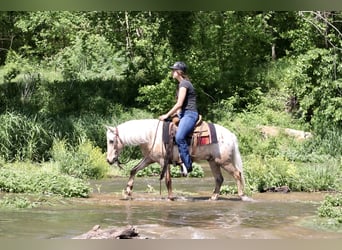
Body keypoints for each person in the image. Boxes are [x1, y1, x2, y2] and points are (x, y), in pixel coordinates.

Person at [159, 61, 199, 177]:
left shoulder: (184, 84)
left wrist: (167, 115)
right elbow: (179, 108)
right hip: (184, 114)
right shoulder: (181, 85)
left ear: (179, 72)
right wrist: (174, 116)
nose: (172, 72)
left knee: (180, 136)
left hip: (190, 114)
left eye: (174, 70)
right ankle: (174, 157)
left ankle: (187, 164)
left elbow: (179, 104)